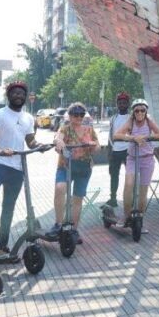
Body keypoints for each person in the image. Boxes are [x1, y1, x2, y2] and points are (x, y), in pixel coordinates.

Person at [0, 80, 38, 256]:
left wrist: (40, 146)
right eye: (15, 92)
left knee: (8, 207)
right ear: (8, 95)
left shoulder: (28, 118)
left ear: (25, 97)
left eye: (22, 93)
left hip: (17, 168)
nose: (18, 96)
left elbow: (30, 141)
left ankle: (2, 244)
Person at [48, 102, 100, 243]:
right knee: (60, 188)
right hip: (66, 166)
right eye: (75, 114)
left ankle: (73, 229)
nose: (78, 117)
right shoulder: (65, 128)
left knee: (77, 199)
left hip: (83, 167)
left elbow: (98, 147)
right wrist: (59, 142)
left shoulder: (89, 130)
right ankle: (58, 224)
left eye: (81, 114)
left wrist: (93, 146)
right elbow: (57, 138)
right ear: (70, 116)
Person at [113, 99, 159, 228]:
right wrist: (132, 138)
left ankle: (139, 219)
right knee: (129, 184)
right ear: (133, 111)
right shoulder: (131, 122)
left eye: (142, 110)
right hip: (132, 158)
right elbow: (116, 135)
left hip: (147, 159)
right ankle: (126, 216)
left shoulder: (149, 121)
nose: (140, 113)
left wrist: (145, 138)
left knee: (143, 190)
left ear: (146, 110)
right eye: (137, 110)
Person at [104, 92, 131, 207]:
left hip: (128, 150)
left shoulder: (131, 117)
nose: (122, 105)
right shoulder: (113, 118)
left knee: (130, 176)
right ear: (117, 104)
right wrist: (109, 151)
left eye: (124, 103)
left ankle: (131, 198)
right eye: (120, 103)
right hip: (115, 150)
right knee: (113, 175)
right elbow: (110, 134)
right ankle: (113, 198)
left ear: (128, 104)